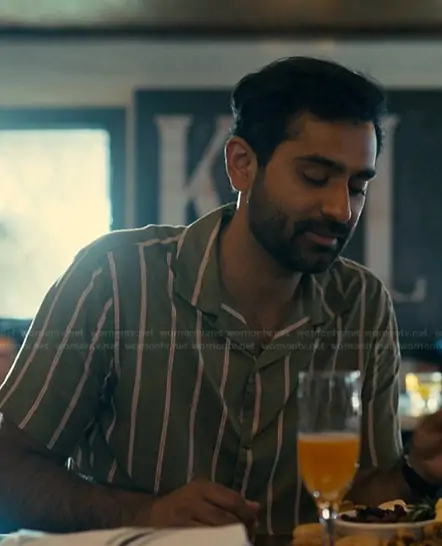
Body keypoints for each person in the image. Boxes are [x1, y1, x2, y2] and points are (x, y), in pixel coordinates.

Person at [0, 56, 441, 538]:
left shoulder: (363, 304)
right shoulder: (114, 278)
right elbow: (10, 468)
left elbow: (358, 501)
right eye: (315, 177)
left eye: (357, 186)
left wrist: (418, 470)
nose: (341, 209)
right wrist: (145, 514)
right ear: (241, 165)